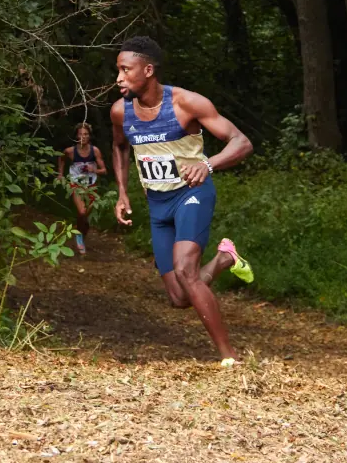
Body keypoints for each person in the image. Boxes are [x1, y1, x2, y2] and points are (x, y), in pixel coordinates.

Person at [110, 36, 254, 365]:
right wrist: (122, 191)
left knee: (186, 271)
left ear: (147, 70)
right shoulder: (120, 112)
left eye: (124, 70)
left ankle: (229, 359)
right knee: (178, 297)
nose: (118, 78)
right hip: (158, 205)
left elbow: (241, 142)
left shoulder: (186, 104)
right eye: (117, 70)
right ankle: (223, 259)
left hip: (192, 194)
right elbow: (118, 147)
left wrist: (207, 164)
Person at [58, 122, 107, 254]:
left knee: (86, 215)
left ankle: (81, 231)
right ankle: (79, 236)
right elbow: (61, 159)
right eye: (80, 134)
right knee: (81, 212)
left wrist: (94, 169)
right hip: (76, 185)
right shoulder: (70, 151)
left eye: (85, 134)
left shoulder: (94, 151)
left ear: (89, 136)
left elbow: (104, 170)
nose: (83, 137)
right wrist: (60, 174)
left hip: (91, 186)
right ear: (76, 136)